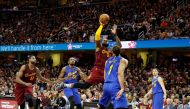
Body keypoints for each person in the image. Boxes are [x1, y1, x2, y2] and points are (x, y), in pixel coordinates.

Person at [64, 22, 122, 89]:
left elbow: (119, 45)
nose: (105, 40)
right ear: (102, 42)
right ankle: (65, 85)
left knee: (113, 86)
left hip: (106, 72)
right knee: (86, 86)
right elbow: (97, 36)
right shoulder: (98, 48)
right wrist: (101, 26)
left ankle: (113, 98)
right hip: (97, 70)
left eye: (107, 40)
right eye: (104, 40)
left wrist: (115, 35)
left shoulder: (111, 51)